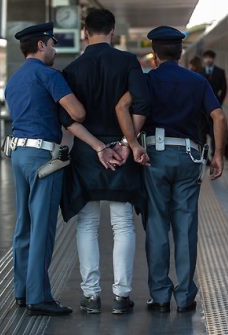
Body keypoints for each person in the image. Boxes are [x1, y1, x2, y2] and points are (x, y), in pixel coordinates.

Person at [116, 26, 228, 313]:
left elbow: (122, 107)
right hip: (189, 157)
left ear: (154, 54)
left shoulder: (146, 80)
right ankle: (185, 295)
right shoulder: (197, 80)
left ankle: (161, 296)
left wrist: (131, 143)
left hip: (155, 157)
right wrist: (218, 154)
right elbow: (218, 116)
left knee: (157, 225)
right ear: (180, 53)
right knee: (186, 225)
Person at [58, 9, 151, 315]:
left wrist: (98, 146)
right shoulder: (127, 62)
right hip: (122, 150)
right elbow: (142, 103)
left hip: (88, 153)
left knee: (87, 223)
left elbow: (67, 120)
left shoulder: (72, 69)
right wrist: (127, 144)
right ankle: (122, 296)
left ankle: (91, 296)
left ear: (85, 32)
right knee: (123, 223)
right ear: (112, 31)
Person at [5, 22, 86, 316]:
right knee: (42, 227)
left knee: (23, 225)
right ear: (41, 45)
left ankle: (22, 290)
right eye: (52, 43)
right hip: (43, 158)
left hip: (18, 154)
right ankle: (39, 296)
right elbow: (77, 113)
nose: (54, 48)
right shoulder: (49, 75)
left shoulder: (14, 80)